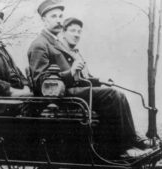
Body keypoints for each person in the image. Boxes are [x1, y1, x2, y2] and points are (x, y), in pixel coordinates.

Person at [27, 0, 152, 157]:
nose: (58, 20)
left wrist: (96, 80)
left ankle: (132, 140)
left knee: (117, 94)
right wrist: (71, 72)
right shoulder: (40, 44)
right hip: (59, 98)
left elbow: (74, 76)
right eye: (53, 16)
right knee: (112, 96)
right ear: (44, 20)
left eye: (60, 16)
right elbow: (41, 82)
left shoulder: (55, 42)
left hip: (69, 91)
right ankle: (121, 148)